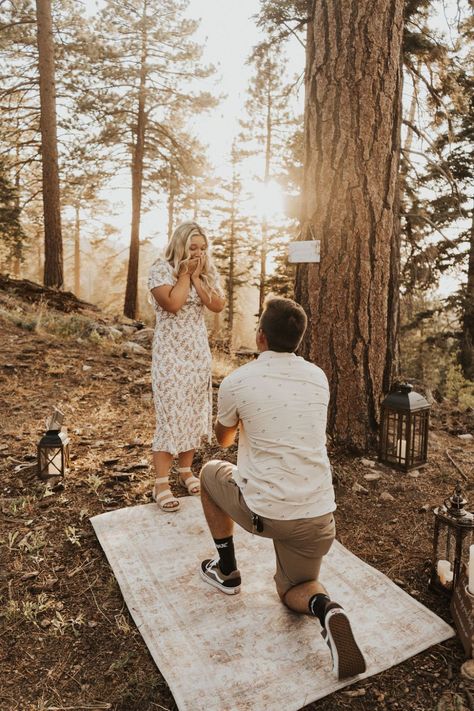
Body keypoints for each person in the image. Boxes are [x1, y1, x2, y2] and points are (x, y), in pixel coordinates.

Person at [198, 297, 366, 681]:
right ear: (299, 339)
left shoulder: (239, 380)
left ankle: (226, 572)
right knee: (297, 589)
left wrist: (246, 419)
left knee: (209, 473)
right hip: (317, 514)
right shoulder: (318, 377)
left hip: (265, 512)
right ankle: (326, 608)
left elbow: (223, 441)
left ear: (260, 336)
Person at [148, 222, 225, 512]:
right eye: (193, 248)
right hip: (170, 354)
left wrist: (197, 279)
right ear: (180, 245)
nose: (199, 253)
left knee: (193, 411)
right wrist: (184, 275)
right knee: (171, 413)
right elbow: (173, 304)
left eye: (203, 248)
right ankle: (161, 483)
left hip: (196, 353)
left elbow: (216, 305)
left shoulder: (205, 272)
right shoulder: (160, 268)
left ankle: (186, 471)